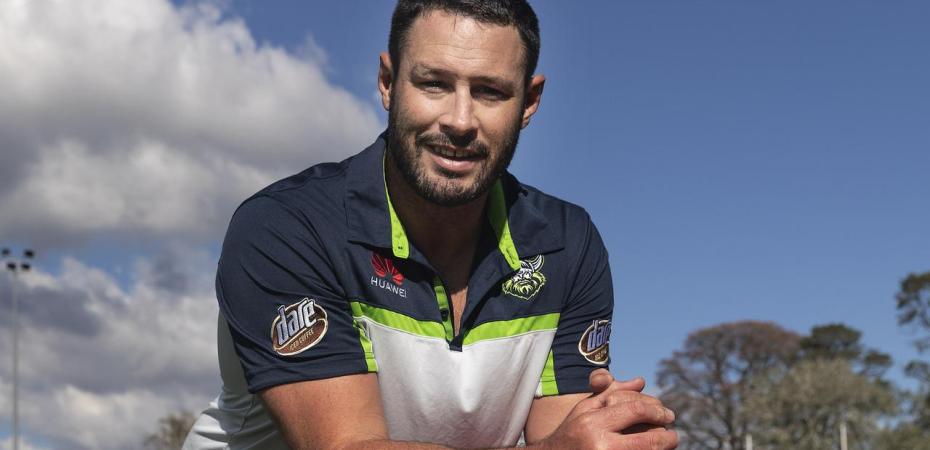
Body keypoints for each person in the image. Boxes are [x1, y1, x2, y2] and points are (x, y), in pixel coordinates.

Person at [184, 1, 678, 449]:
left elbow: (567, 435)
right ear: (387, 82)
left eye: (489, 91)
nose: (460, 121)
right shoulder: (288, 227)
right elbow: (347, 446)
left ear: (529, 102)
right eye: (434, 84)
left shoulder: (567, 244)